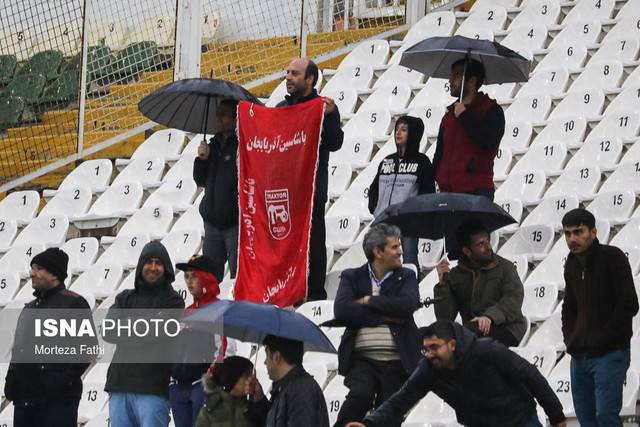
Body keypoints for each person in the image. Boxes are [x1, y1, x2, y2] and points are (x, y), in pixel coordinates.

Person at [346, 320, 567, 427]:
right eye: (425, 349)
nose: (429, 354)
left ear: (452, 344)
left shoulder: (487, 350)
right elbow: (401, 400)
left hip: (518, 420)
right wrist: (369, 424)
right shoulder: (429, 369)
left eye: (435, 347)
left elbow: (531, 375)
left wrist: (557, 418)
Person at [333, 223, 421, 427]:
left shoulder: (406, 276)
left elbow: (407, 305)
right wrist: (384, 317)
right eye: (395, 247)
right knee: (360, 395)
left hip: (398, 361)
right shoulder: (352, 277)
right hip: (362, 360)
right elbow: (342, 309)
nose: (401, 251)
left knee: (389, 414)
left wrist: (368, 301)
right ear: (378, 252)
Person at [560, 208, 639, 427]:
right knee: (586, 420)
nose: (572, 239)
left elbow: (629, 304)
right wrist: (571, 339)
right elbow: (569, 305)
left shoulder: (612, 257)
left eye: (578, 232)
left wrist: (602, 339)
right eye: (567, 234)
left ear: (593, 232)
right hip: (579, 356)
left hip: (610, 354)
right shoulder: (572, 263)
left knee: (606, 417)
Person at [277, 57, 344, 301]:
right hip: (285, 192)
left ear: (310, 79)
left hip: (313, 190)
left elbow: (335, 143)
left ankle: (315, 295)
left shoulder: (322, 107)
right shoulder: (280, 109)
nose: (288, 78)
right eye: (287, 73)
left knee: (314, 244)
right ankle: (287, 291)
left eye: (295, 73)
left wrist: (332, 116)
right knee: (284, 245)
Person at [4, 248, 96, 427]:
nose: (32, 273)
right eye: (32, 268)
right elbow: (18, 350)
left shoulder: (73, 303)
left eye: (38, 268)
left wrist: (57, 382)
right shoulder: (29, 308)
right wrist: (12, 382)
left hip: (57, 402)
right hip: (24, 401)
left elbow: (87, 349)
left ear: (54, 274)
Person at [105, 241, 185, 427]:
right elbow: (108, 330)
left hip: (153, 387)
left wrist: (127, 326)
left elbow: (160, 330)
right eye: (149, 262)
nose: (153, 268)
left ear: (166, 268)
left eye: (158, 263)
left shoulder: (173, 301)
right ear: (141, 265)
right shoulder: (124, 297)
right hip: (119, 385)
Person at [434, 220, 526, 347]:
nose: (488, 247)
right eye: (481, 244)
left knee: (465, 335)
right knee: (431, 336)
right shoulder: (456, 275)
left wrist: (489, 317)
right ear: (467, 251)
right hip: (472, 330)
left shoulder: (505, 267)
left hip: (507, 328)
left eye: (488, 240)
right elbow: (444, 318)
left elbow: (513, 300)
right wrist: (443, 284)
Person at [368, 115, 436, 274]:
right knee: (381, 264)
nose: (398, 133)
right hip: (384, 223)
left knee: (409, 261)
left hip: (408, 224)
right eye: (397, 129)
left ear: (413, 133)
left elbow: (427, 193)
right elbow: (374, 188)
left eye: (404, 130)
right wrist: (376, 209)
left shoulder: (422, 162)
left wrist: (415, 215)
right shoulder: (387, 161)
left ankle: (412, 296)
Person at [433, 58, 505, 201]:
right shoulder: (448, 116)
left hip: (476, 191)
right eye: (451, 75)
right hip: (446, 192)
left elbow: (489, 142)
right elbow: (439, 155)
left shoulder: (492, 110)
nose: (450, 80)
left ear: (471, 81)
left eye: (456, 76)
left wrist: (465, 116)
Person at [171, 256, 226, 427]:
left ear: (206, 277)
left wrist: (208, 381)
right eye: (186, 276)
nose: (189, 281)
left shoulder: (218, 309)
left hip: (201, 388)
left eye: (194, 275)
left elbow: (224, 350)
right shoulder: (186, 312)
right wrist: (172, 381)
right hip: (178, 388)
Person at [194, 98, 240, 281]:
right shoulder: (211, 146)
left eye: (223, 114)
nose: (218, 118)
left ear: (235, 117)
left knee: (238, 277)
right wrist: (202, 160)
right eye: (217, 114)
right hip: (212, 223)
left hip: (235, 223)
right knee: (209, 280)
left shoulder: (243, 145)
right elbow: (199, 180)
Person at [261, 334, 329, 427]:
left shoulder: (301, 390)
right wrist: (259, 401)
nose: (265, 362)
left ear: (277, 357)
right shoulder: (287, 387)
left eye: (267, 355)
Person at [196, 356, 267, 427]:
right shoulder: (210, 410)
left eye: (252, 374)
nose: (252, 379)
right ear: (233, 379)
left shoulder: (255, 407)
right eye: (247, 375)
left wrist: (261, 401)